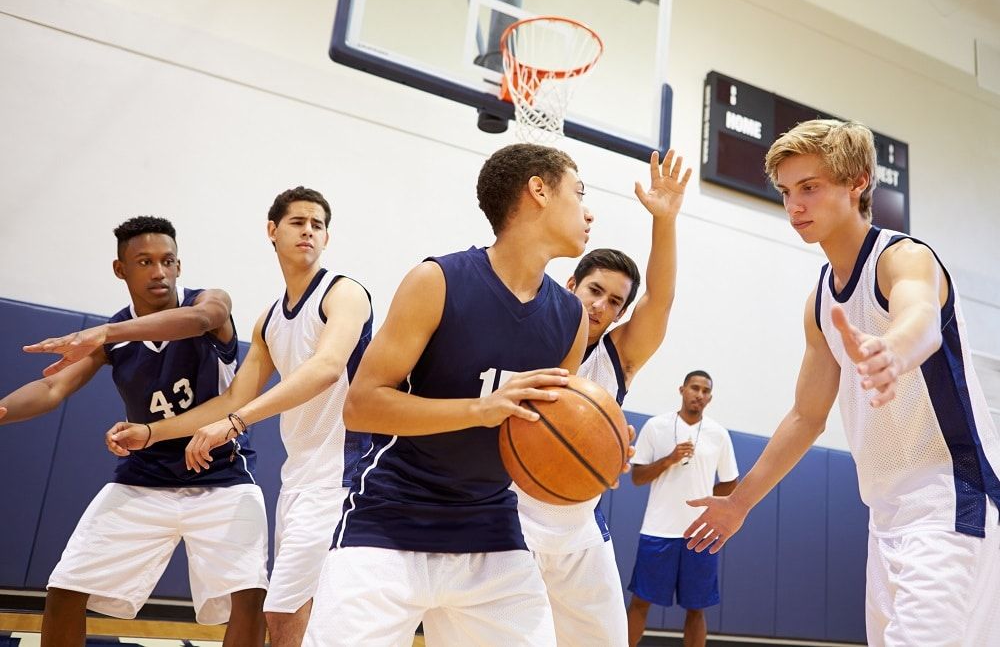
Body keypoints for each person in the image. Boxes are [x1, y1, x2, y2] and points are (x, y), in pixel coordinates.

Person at [684, 119, 1000, 646]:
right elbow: (807, 416)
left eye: (810, 188)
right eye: (786, 192)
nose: (795, 206)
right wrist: (739, 502)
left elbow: (919, 317)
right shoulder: (821, 300)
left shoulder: (903, 257)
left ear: (857, 183)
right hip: (885, 515)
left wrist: (891, 351)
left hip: (951, 499)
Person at [301, 142, 613, 647]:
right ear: (538, 190)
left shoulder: (571, 317)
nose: (589, 209)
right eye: (578, 193)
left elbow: (549, 432)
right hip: (391, 519)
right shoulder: (437, 280)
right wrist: (480, 409)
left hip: (492, 529)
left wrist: (598, 443)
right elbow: (361, 405)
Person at [108, 188, 373, 647]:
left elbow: (326, 368)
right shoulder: (269, 320)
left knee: (287, 608)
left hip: (350, 474)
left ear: (327, 238)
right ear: (272, 231)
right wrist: (151, 432)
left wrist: (236, 424)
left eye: (317, 224)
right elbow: (232, 397)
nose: (308, 230)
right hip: (302, 479)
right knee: (302, 614)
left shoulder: (343, 293)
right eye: (297, 222)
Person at [0, 216, 267, 647]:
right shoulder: (112, 338)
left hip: (223, 476)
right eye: (145, 261)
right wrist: (3, 409)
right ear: (120, 269)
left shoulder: (210, 302)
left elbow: (199, 319)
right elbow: (52, 387)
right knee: (66, 587)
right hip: (145, 478)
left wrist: (107, 332)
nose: (159, 271)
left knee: (248, 595)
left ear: (180, 266)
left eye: (168, 260)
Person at [516, 149, 691, 646]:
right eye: (594, 290)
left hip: (579, 530)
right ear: (570, 284)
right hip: (514, 521)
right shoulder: (528, 329)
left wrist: (665, 221)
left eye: (615, 301)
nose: (601, 305)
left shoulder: (620, 357)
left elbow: (660, 299)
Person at [626, 371, 738, 647]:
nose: (699, 394)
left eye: (705, 391)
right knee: (640, 602)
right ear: (682, 389)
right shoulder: (656, 426)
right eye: (694, 388)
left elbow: (730, 482)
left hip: (700, 534)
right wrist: (670, 459)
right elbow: (638, 477)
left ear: (709, 398)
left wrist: (708, 506)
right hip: (658, 530)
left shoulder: (719, 435)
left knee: (696, 608)